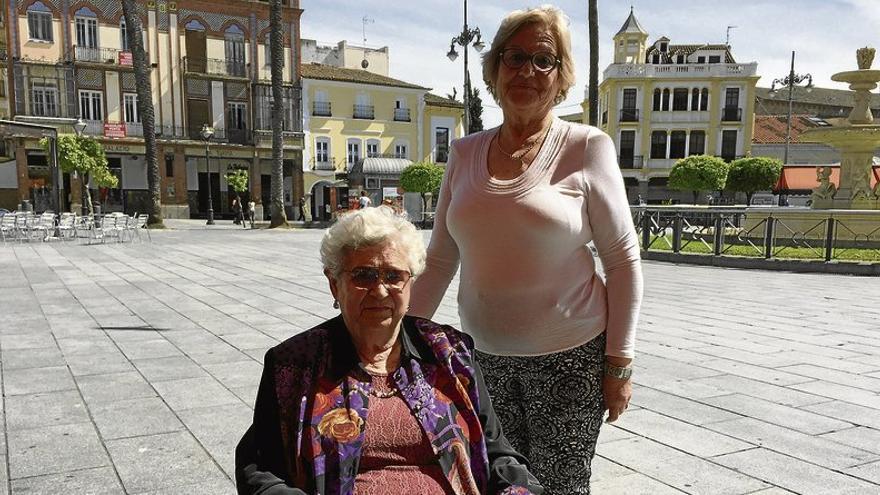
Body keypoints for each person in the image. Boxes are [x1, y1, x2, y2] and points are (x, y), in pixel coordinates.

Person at [409, 6, 643, 494]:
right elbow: (439, 261)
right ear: (495, 69)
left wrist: (618, 364)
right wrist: (395, 339)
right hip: (481, 358)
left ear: (561, 77)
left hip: (571, 357)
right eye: (515, 57)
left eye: (544, 60)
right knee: (496, 482)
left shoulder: (586, 146)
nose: (527, 72)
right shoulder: (464, 152)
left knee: (559, 485)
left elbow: (622, 261)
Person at [236, 207, 543, 495]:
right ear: (334, 285)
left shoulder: (451, 353)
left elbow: (498, 453)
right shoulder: (294, 364)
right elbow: (261, 469)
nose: (380, 290)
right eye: (363, 275)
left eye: (394, 276)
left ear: (410, 284)